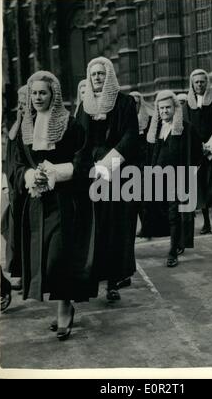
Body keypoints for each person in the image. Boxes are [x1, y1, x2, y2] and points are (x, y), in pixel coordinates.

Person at [15, 70, 94, 341]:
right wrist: (29, 175)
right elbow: (17, 164)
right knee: (43, 259)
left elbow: (84, 162)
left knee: (58, 258)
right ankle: (64, 302)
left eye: (43, 93)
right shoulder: (25, 126)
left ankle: (63, 307)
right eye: (34, 93)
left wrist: (57, 171)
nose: (38, 97)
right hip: (37, 202)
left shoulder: (70, 126)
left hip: (64, 201)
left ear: (53, 95)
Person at [75, 56, 140, 301]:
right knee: (95, 228)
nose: (97, 78)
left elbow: (131, 137)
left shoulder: (124, 103)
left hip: (119, 174)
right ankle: (93, 277)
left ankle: (114, 280)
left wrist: (108, 164)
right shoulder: (84, 105)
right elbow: (79, 141)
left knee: (116, 229)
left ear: (109, 75)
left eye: (101, 73)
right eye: (93, 74)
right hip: (91, 175)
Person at [141, 90, 202, 267]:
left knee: (175, 215)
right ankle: (177, 242)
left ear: (175, 108)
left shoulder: (186, 128)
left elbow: (197, 152)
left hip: (177, 178)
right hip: (158, 179)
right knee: (163, 213)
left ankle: (172, 252)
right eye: (161, 109)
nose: (164, 111)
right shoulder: (156, 130)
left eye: (168, 108)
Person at [183, 69, 212, 235]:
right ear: (192, 84)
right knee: (201, 188)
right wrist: (197, 146)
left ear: (207, 83)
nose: (199, 85)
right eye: (196, 82)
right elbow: (186, 128)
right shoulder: (187, 106)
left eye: (202, 81)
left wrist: (210, 145)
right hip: (196, 153)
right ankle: (206, 221)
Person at [1, 85, 28, 292]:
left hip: (29, 184)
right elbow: (10, 140)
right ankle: (19, 271)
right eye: (19, 98)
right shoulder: (17, 122)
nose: (20, 102)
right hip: (15, 183)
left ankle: (27, 273)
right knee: (11, 227)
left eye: (23, 97)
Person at [129, 91, 153, 237]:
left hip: (145, 163)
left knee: (145, 199)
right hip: (131, 164)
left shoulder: (148, 120)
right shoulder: (125, 120)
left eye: (137, 102)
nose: (135, 106)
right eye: (132, 103)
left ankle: (147, 227)